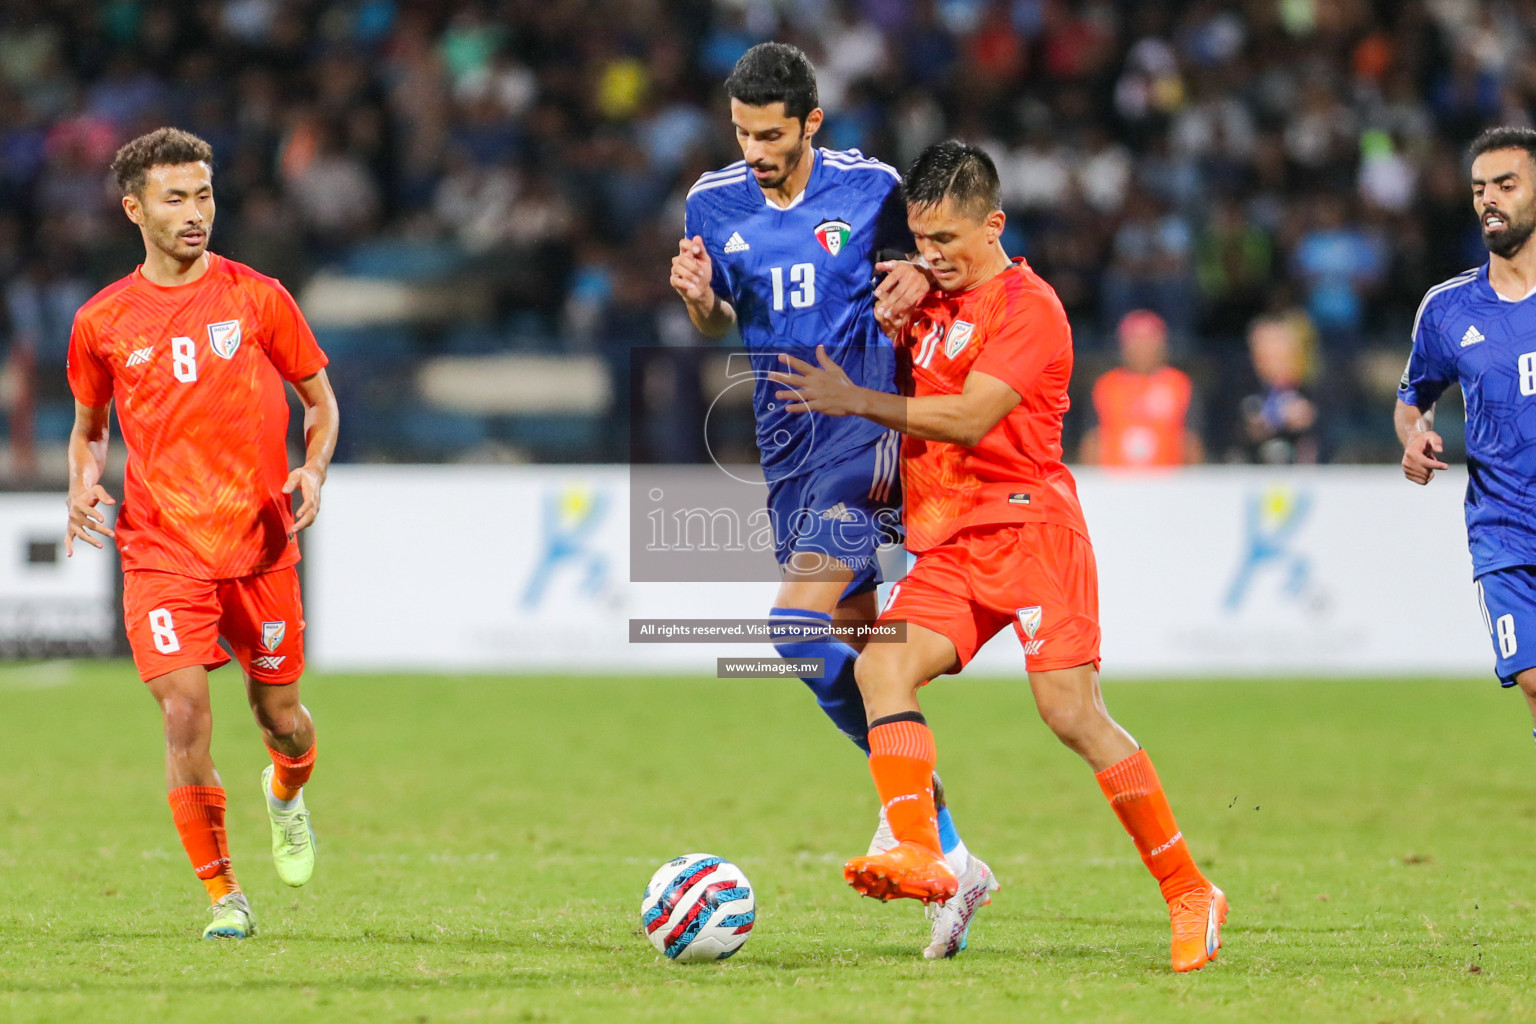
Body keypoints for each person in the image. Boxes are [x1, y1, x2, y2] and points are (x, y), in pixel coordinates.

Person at [768, 141, 1228, 972]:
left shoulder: (1031, 308)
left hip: (1031, 533)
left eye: (947, 239)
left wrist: (856, 399)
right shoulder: (925, 296)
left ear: (994, 225)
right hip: (950, 544)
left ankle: (1191, 890)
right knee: (881, 670)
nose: (934, 255)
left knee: (1071, 715)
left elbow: (970, 419)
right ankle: (923, 854)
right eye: (921, 238)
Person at [668, 42, 993, 958]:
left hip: (867, 439)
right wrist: (698, 301)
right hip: (786, 445)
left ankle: (921, 838)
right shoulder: (711, 200)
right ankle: (948, 850)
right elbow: (717, 313)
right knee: (852, 657)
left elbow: (936, 271)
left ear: (812, 123)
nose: (755, 150)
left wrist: (918, 276)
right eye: (741, 132)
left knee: (792, 629)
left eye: (771, 134)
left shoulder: (873, 187)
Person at [64, 128, 337, 940]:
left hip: (258, 545)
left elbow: (320, 403)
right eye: (176, 198)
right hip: (160, 549)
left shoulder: (257, 298)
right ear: (133, 209)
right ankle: (225, 895)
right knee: (184, 714)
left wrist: (313, 470)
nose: (195, 213)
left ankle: (286, 795)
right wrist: (83, 478)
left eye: (204, 195)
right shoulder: (101, 320)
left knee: (279, 714)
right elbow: (89, 427)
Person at [1399, 125, 1536, 747]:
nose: (1489, 199)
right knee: (1533, 679)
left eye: (1506, 184)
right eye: (1480, 188)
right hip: (1504, 525)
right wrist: (1416, 436)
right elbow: (1412, 402)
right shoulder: (1448, 309)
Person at [1079, 309, 1203, 468]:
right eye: (1135, 341)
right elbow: (1093, 438)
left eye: (1148, 341)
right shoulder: (1106, 385)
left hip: (1168, 482)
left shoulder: (1179, 384)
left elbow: (1190, 440)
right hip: (1115, 482)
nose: (1141, 348)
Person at [1236, 313, 1321, 464]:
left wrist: (1308, 418)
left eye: (1275, 344)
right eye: (1260, 347)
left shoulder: (1314, 389)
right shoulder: (1239, 388)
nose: (1269, 353)